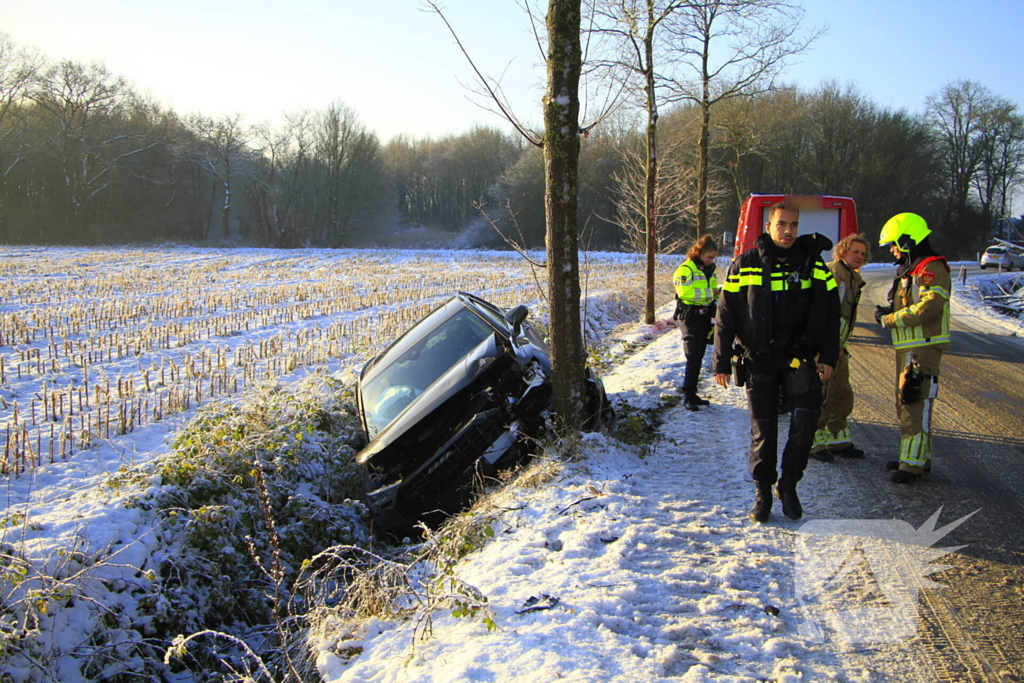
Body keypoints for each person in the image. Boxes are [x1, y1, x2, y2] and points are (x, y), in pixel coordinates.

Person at [713, 202, 840, 522]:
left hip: (801, 359)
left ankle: (789, 484)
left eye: (794, 225)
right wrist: (721, 361)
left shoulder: (815, 264)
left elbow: (831, 314)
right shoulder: (746, 263)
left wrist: (827, 356)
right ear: (768, 227)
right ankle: (763, 492)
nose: (788, 231)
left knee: (805, 424)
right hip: (760, 360)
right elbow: (725, 315)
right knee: (764, 430)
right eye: (781, 224)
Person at [873, 213, 950, 484]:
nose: (893, 250)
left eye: (894, 244)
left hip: (922, 349)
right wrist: (888, 310)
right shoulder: (913, 269)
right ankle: (915, 458)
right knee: (907, 402)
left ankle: (913, 465)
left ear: (908, 240)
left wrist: (891, 319)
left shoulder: (930, 268)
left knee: (914, 403)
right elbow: (911, 301)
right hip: (910, 348)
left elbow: (929, 307)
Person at [811, 234, 870, 462]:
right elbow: (826, 313)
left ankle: (838, 441)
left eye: (863, 254)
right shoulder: (836, 273)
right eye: (855, 252)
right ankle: (813, 443)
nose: (860, 257)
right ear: (843, 251)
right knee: (825, 395)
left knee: (842, 395)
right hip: (827, 347)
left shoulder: (851, 277)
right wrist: (830, 346)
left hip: (838, 347)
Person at [672, 234, 720, 411]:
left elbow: (714, 290)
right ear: (699, 253)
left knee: (698, 354)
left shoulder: (708, 269)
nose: (711, 260)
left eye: (714, 258)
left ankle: (692, 393)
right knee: (693, 356)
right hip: (690, 316)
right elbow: (686, 293)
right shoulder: (686, 270)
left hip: (704, 315)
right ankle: (688, 395)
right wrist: (712, 293)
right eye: (709, 257)